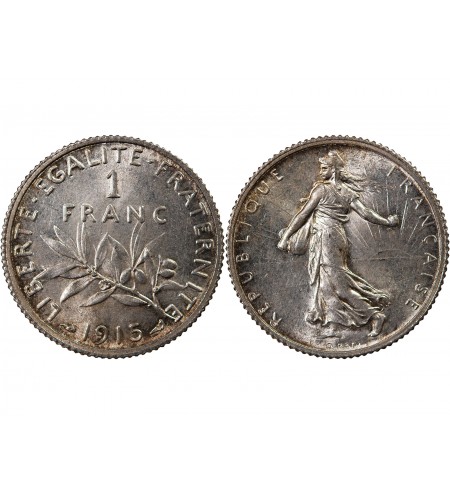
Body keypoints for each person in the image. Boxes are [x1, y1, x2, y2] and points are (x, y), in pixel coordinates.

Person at [278, 150, 399, 337]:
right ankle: (332, 325)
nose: (321, 171)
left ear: (333, 170)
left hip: (325, 237)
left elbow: (302, 215)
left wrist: (286, 236)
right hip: (337, 237)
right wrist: (387, 222)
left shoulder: (321, 190)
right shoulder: (346, 192)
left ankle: (374, 315)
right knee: (328, 284)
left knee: (338, 283)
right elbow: (366, 213)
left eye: (324, 168)